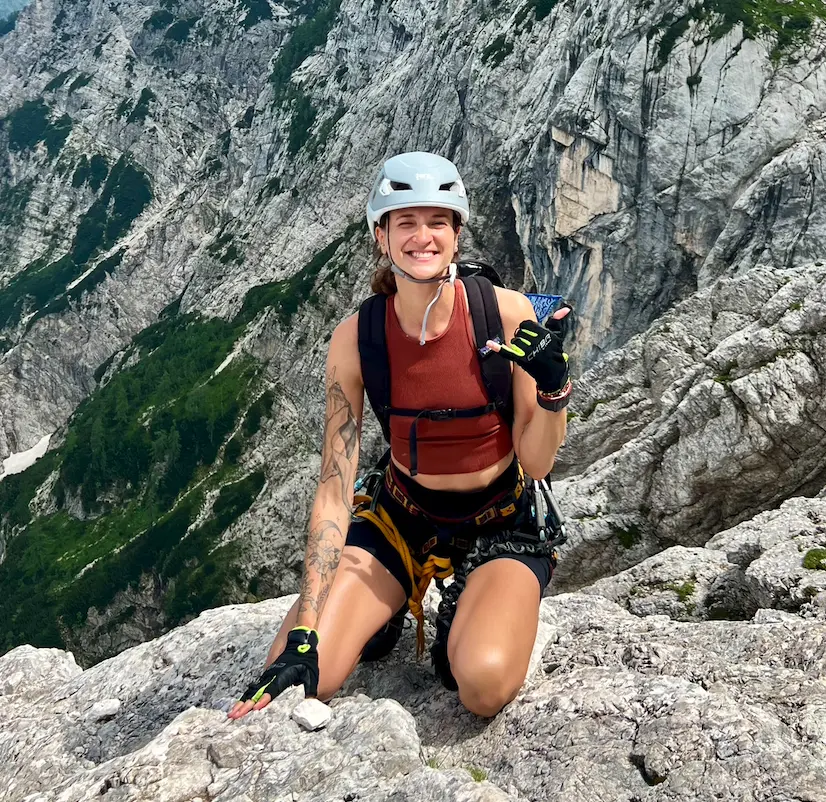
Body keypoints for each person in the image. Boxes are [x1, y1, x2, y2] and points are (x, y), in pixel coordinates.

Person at [228, 152, 571, 720]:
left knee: (482, 686)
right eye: (405, 222)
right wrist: (307, 628)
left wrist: (554, 390)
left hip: (502, 523)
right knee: (296, 681)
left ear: (457, 234)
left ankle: (463, 608)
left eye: (437, 221)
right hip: (399, 516)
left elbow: (534, 464)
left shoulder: (507, 317)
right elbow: (335, 489)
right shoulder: (357, 340)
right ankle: (380, 612)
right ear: (380, 237)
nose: (422, 237)